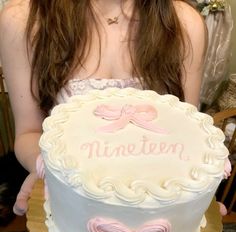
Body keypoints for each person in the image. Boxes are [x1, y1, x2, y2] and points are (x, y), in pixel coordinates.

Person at [0, 0, 210, 215]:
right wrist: (49, 170)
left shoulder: (186, 24)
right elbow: (29, 132)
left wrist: (197, 200)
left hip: (153, 212)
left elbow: (185, 137)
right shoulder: (22, 19)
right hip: (72, 208)